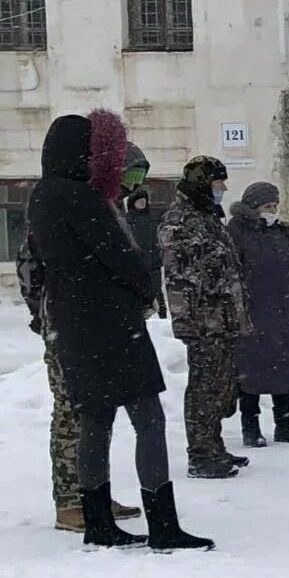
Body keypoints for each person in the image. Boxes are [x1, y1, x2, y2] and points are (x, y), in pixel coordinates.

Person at [28, 111, 211, 550]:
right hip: (111, 323)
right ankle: (163, 524)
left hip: (72, 323)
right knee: (148, 418)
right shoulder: (82, 198)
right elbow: (120, 258)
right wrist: (143, 287)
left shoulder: (41, 195)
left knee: (95, 420)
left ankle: (96, 522)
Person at [19, 137, 153, 533]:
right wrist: (45, 316)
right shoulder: (67, 206)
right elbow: (31, 268)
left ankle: (93, 491)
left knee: (96, 410)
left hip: (94, 323)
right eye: (128, 173)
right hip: (66, 323)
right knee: (72, 411)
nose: (132, 183)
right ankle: (71, 502)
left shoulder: (103, 207)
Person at [159, 156, 252, 480]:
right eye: (217, 183)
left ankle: (214, 444)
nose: (223, 188)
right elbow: (178, 277)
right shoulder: (180, 220)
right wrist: (187, 322)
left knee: (222, 385)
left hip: (222, 318)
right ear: (202, 183)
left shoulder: (208, 216)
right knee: (204, 387)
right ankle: (200, 453)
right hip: (204, 321)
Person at [228, 182, 289, 449]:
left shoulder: (279, 232)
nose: (272, 211)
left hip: (284, 313)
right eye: (267, 206)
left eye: (275, 206)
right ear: (253, 207)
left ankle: (284, 424)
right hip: (253, 314)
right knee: (250, 373)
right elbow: (232, 273)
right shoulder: (237, 233)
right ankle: (250, 428)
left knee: (284, 370)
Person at [126, 188, 167, 319]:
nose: (142, 203)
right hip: (136, 262)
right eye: (139, 201)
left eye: (144, 201)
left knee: (156, 291)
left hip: (154, 260)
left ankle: (162, 317)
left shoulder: (154, 218)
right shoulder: (128, 220)